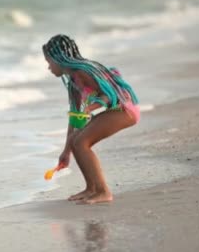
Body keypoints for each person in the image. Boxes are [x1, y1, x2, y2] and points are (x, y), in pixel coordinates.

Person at [42, 34, 140, 204]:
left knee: (81, 142)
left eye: (49, 62)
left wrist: (89, 108)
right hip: (116, 111)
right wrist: (66, 151)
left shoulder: (83, 71)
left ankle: (103, 191)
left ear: (59, 58)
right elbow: (74, 117)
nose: (49, 68)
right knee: (76, 141)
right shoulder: (72, 80)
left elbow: (110, 95)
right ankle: (91, 189)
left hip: (124, 110)